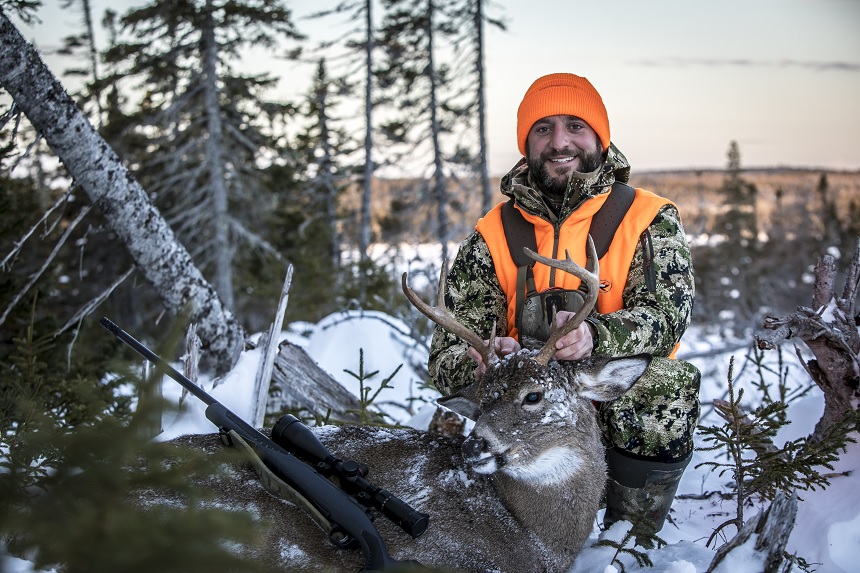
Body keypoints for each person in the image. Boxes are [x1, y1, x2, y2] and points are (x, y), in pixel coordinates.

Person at [428, 73, 701, 537]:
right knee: (449, 425)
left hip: (600, 386)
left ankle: (628, 534)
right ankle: (502, 533)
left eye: (575, 125)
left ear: (598, 136)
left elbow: (666, 317)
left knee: (667, 386)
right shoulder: (492, 234)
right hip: (523, 400)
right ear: (527, 144)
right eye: (543, 128)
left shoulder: (647, 217)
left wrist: (596, 335)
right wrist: (479, 361)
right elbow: (445, 355)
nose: (559, 142)